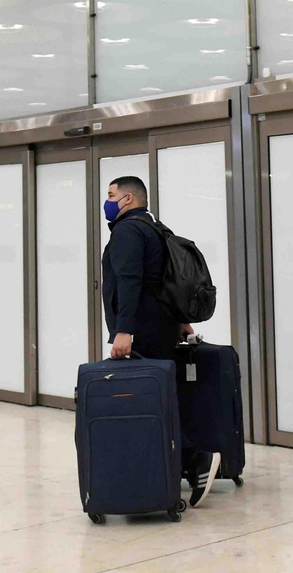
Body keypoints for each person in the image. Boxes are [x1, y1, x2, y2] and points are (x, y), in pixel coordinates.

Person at [100, 175, 219, 508]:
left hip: (141, 332)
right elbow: (165, 282)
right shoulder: (155, 227)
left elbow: (130, 281)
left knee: (148, 402)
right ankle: (178, 465)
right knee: (163, 397)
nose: (107, 201)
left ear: (127, 200)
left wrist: (124, 330)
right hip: (162, 328)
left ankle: (196, 459)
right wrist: (181, 322)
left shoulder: (127, 231)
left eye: (111, 195)